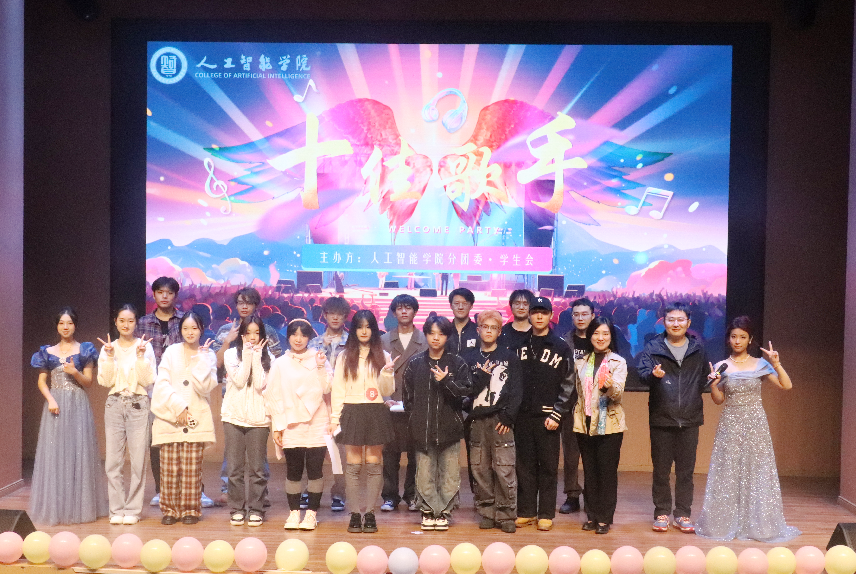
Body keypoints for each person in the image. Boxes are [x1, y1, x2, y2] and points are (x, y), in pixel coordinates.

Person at [696, 317, 800, 542]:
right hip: (730, 423)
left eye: (742, 337)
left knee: (757, 470)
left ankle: (757, 525)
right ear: (728, 339)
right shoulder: (722, 365)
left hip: (755, 424)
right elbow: (719, 400)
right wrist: (713, 386)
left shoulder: (760, 364)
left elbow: (787, 385)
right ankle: (726, 523)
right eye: (733, 336)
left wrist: (776, 363)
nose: (737, 341)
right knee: (728, 471)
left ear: (750, 339)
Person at [638, 301, 719, 533]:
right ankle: (661, 512)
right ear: (664, 322)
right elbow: (642, 374)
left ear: (688, 322)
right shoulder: (653, 347)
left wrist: (711, 379)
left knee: (686, 471)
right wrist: (653, 375)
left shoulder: (698, 348)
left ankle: (683, 513)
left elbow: (702, 379)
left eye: (680, 319)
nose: (676, 323)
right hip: (662, 416)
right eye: (671, 319)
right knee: (661, 470)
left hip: (690, 417)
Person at [29, 307, 107, 525]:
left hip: (78, 404)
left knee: (77, 452)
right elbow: (41, 382)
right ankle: (57, 507)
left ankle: (78, 506)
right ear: (57, 326)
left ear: (75, 325)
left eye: (70, 323)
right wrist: (51, 400)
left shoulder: (85, 350)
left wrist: (75, 372)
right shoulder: (46, 352)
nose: (65, 327)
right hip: (55, 405)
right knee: (56, 453)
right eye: (62, 323)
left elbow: (88, 382)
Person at [329, 310, 396, 533]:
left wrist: (387, 373)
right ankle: (355, 513)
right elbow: (338, 389)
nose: (364, 331)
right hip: (352, 411)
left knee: (374, 464)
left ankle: (370, 514)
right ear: (354, 330)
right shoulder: (344, 356)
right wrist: (335, 419)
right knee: (354, 465)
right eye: (359, 327)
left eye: (368, 326)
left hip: (376, 411)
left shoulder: (383, 355)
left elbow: (387, 390)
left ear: (374, 329)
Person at [404, 315, 472, 531]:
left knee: (450, 474)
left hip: (450, 429)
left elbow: (465, 394)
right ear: (425, 335)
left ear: (447, 336)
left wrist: (446, 381)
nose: (436, 338)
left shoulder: (457, 363)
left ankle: (443, 512)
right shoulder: (415, 363)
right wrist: (416, 419)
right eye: (431, 333)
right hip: (422, 429)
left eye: (441, 334)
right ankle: (428, 511)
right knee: (424, 473)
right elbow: (408, 399)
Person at [514, 296, 576, 531]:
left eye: (543, 312)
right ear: (529, 315)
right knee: (525, 466)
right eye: (535, 312)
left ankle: (546, 513)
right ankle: (527, 511)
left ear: (551, 316)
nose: (539, 316)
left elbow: (569, 384)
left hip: (549, 417)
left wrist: (558, 413)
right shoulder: (519, 345)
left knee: (548, 467)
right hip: (523, 416)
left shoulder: (561, 346)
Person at [265, 319, 333, 530]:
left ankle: (311, 514)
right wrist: (277, 426)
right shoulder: (280, 364)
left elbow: (328, 388)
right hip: (290, 423)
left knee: (315, 470)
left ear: (309, 337)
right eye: (294, 334)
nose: (298, 339)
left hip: (317, 422)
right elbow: (273, 395)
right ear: (288, 337)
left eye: (303, 335)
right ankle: (294, 513)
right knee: (293, 470)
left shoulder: (319, 358)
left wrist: (320, 366)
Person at [151, 312, 218, 525]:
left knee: (191, 469)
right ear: (180, 330)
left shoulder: (208, 354)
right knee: (169, 469)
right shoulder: (172, 352)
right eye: (186, 328)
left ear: (201, 329)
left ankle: (190, 509)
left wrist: (202, 361)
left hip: (195, 417)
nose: (190, 332)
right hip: (171, 416)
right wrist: (179, 407)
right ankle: (170, 509)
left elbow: (205, 388)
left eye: (194, 328)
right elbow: (162, 383)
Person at [463, 310, 522, 533]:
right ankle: (487, 511)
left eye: (493, 328)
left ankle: (506, 513)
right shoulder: (468, 358)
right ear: (478, 330)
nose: (489, 331)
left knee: (504, 468)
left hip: (501, 420)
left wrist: (508, 416)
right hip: (476, 420)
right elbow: (465, 390)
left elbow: (516, 390)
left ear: (499, 331)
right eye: (485, 327)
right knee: (480, 468)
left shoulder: (510, 357)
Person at [97, 304, 156, 525]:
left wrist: (141, 357)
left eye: (130, 321)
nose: (126, 325)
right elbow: (105, 382)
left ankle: (133, 509)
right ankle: (116, 509)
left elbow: (148, 380)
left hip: (138, 404)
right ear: (115, 322)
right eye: (122, 320)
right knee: (113, 461)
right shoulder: (108, 348)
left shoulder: (145, 346)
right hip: (114, 404)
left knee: (138, 461)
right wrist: (109, 357)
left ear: (136, 323)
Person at [572, 316, 627, 535]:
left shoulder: (618, 362)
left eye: (605, 333)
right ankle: (591, 515)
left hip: (609, 425)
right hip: (585, 423)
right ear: (590, 336)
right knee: (590, 472)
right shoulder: (581, 361)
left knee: (607, 473)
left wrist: (609, 386)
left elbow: (618, 394)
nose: (600, 338)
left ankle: (604, 518)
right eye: (596, 333)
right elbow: (578, 393)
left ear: (611, 336)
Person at [135, 276, 184, 507]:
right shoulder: (143, 323)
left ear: (175, 295)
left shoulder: (185, 320)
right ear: (153, 294)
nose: (165, 296)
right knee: (156, 441)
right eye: (160, 292)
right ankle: (161, 489)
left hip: (181, 388)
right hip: (152, 389)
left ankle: (191, 488)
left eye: (169, 292)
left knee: (185, 439)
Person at [221, 316, 271, 527]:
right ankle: (237, 509)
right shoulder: (231, 354)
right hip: (233, 416)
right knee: (234, 468)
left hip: (259, 419)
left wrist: (257, 357)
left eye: (256, 333)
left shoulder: (269, 358)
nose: (252, 337)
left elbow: (259, 384)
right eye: (248, 333)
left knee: (258, 469)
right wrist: (248, 355)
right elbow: (240, 380)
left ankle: (256, 509)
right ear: (241, 334)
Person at [380, 294, 427, 512]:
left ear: (415, 311)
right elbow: (377, 374)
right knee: (390, 454)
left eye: (408, 308)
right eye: (399, 308)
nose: (404, 311)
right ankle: (389, 496)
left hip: (416, 406)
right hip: (391, 405)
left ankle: (412, 495)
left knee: (415, 454)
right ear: (394, 312)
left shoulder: (424, 339)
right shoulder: (384, 340)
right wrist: (385, 399)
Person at [309, 295, 352, 512]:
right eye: (331, 313)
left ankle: (338, 493)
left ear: (345, 316)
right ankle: (309, 490)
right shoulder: (313, 343)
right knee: (312, 448)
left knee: (339, 453)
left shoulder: (352, 342)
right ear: (324, 315)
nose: (335, 317)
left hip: (341, 402)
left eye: (339, 314)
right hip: (316, 403)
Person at [560, 297, 595, 514]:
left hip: (596, 405)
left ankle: (592, 496)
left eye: (584, 314)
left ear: (592, 315)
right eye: (576, 314)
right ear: (572, 317)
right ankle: (572, 495)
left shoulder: (601, 338)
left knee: (593, 454)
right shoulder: (564, 342)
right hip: (570, 405)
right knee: (571, 455)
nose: (580, 318)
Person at [446, 287, 479, 355]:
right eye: (456, 303)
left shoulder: (478, 331)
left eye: (465, 303)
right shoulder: (444, 331)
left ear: (471, 306)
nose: (460, 307)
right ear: (451, 306)